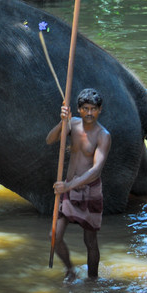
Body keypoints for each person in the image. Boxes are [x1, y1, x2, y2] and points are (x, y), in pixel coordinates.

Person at [46, 88, 111, 282]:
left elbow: (96, 170)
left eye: (93, 109)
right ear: (79, 109)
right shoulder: (73, 125)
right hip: (69, 189)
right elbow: (50, 140)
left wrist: (69, 185)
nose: (89, 113)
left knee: (90, 241)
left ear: (100, 110)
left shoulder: (103, 135)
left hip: (90, 191)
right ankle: (70, 270)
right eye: (85, 109)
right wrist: (62, 121)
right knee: (54, 236)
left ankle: (92, 281)